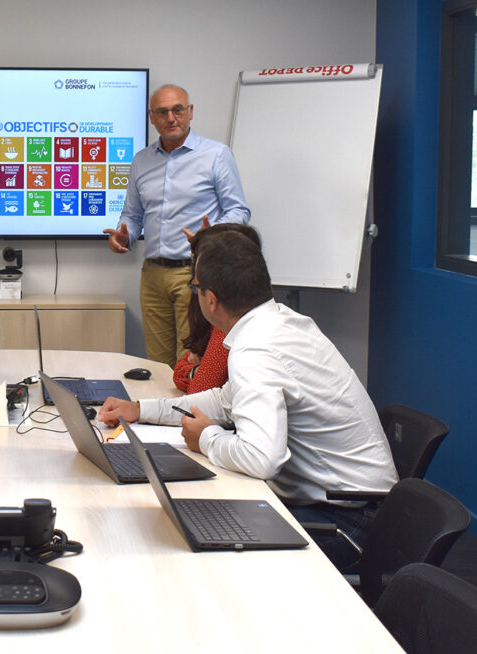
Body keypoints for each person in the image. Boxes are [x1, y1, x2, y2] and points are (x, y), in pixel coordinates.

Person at [98, 231, 397, 570]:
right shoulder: (277, 323)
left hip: (347, 523)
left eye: (195, 288)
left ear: (210, 300)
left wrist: (206, 438)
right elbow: (224, 401)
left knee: (197, 550)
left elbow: (261, 459)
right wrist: (140, 410)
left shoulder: (256, 348)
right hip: (360, 509)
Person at [103, 84, 251, 367]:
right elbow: (132, 216)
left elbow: (238, 209)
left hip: (196, 273)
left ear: (190, 112)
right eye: (162, 112)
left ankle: (186, 411)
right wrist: (125, 235)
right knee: (157, 364)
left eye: (178, 110)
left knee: (191, 361)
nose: (171, 118)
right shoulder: (141, 160)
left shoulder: (216, 155)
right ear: (151, 117)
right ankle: (161, 413)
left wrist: (211, 234)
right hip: (153, 274)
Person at [172, 223, 262, 394]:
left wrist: (192, 372)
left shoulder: (230, 324)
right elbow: (180, 368)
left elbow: (199, 391)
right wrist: (193, 372)